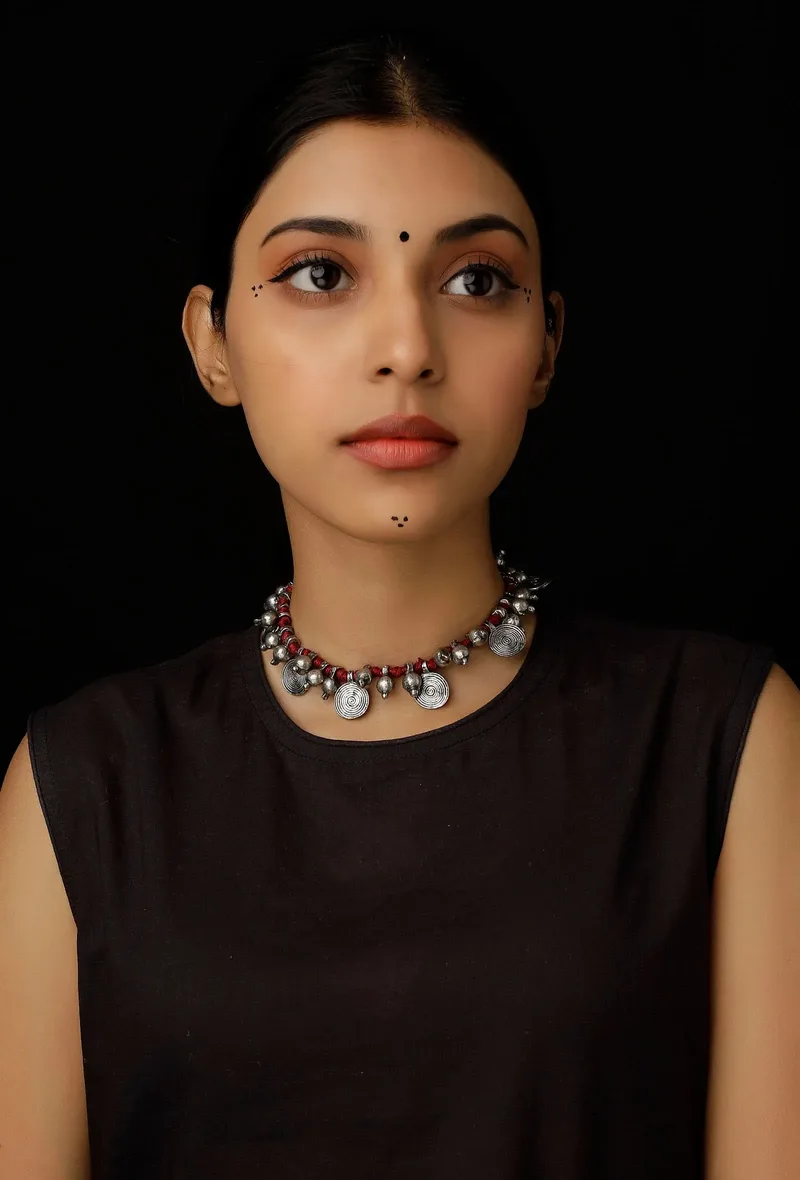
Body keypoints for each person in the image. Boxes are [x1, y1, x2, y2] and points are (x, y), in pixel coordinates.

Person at [1, 26, 798, 1180]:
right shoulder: (80, 787)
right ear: (212, 344)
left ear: (545, 345)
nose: (405, 348)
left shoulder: (720, 743)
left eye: (476, 281)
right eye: (320, 273)